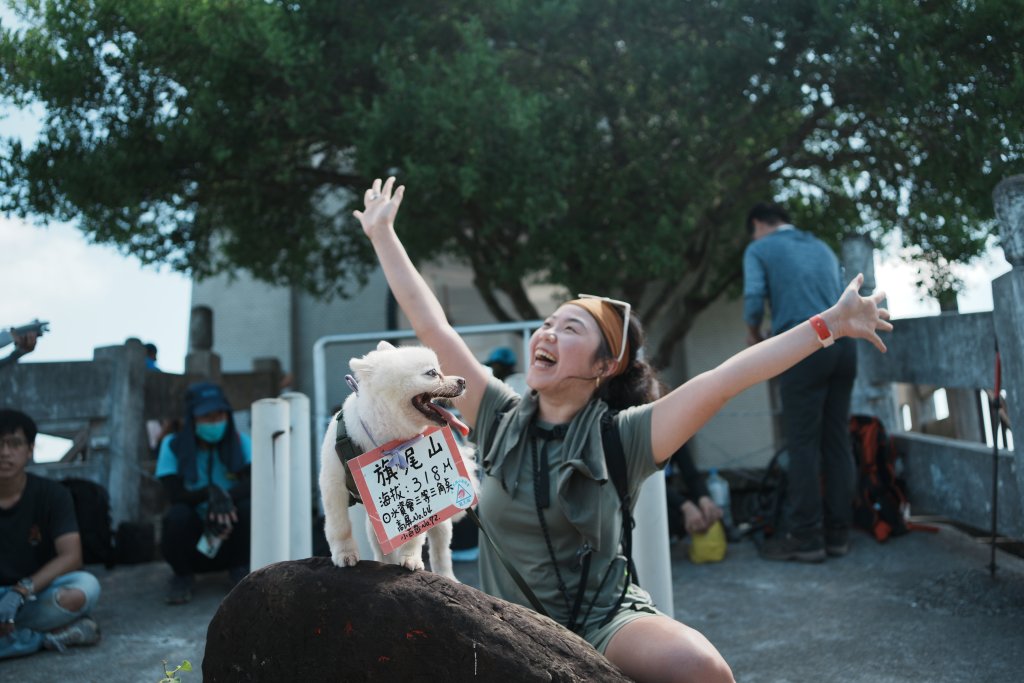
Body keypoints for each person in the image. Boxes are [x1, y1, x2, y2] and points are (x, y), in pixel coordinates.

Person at [354, 177, 890, 683]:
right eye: (549, 323)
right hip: (509, 630)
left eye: (571, 328)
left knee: (706, 670)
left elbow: (726, 379)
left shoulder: (625, 435)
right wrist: (383, 234)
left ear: (603, 366)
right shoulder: (495, 413)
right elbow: (433, 326)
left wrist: (831, 325)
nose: (548, 332)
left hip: (604, 624)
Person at [743, 203, 860, 563]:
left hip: (804, 345)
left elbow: (753, 300)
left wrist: (755, 334)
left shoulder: (760, 248)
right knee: (837, 439)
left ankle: (806, 537)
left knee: (803, 442)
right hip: (844, 345)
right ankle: (839, 534)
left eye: (753, 230)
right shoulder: (820, 246)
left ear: (759, 223)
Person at [0, 409, 102, 658]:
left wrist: (20, 591)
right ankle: (43, 638)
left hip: (31, 594)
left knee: (85, 587)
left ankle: (13, 634)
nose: (4, 452)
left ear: (30, 449)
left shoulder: (52, 494)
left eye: (14, 443)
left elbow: (71, 556)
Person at [156, 382, 252, 604]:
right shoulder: (171, 445)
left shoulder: (242, 442)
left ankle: (240, 568)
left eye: (220, 415)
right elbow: (174, 493)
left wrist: (225, 499)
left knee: (248, 507)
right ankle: (182, 575)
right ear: (192, 419)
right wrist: (210, 494)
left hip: (229, 531)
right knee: (177, 515)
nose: (214, 422)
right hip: (193, 539)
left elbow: (255, 484)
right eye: (207, 417)